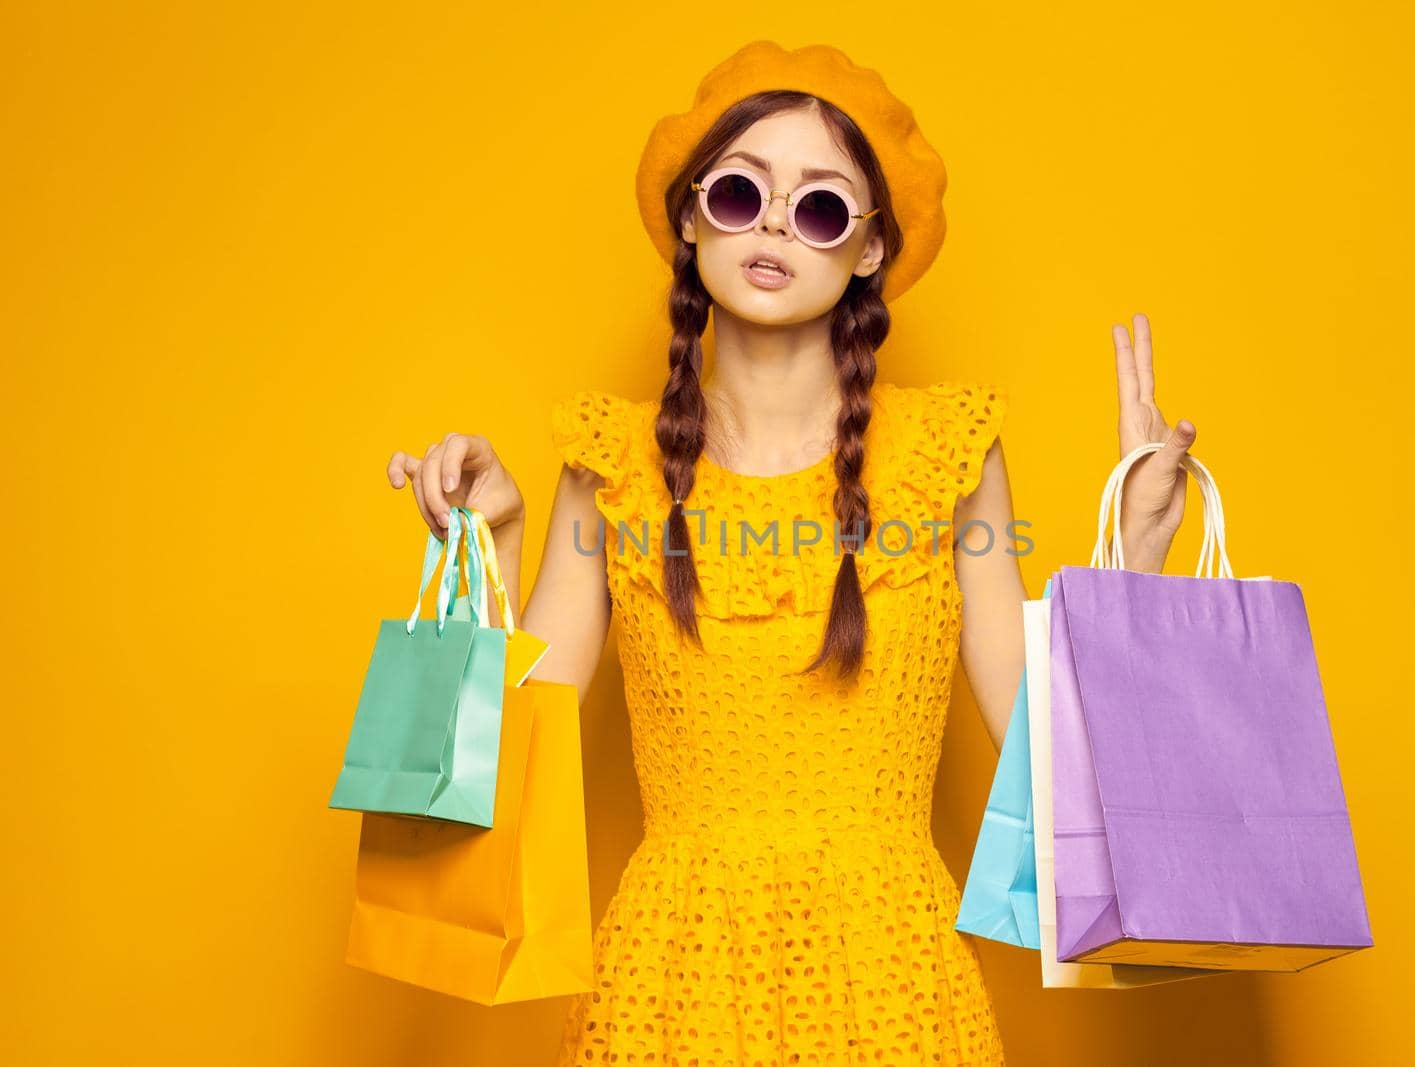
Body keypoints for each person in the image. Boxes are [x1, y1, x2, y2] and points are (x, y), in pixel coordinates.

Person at [386, 39, 1197, 1066]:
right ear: (689, 219)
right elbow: (511, 740)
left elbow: (1043, 744)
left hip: (891, 972)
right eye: (738, 193)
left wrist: (1132, 563)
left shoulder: (945, 456)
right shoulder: (613, 465)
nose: (773, 223)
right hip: (671, 976)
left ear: (865, 250)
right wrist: (488, 545)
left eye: (817, 206)